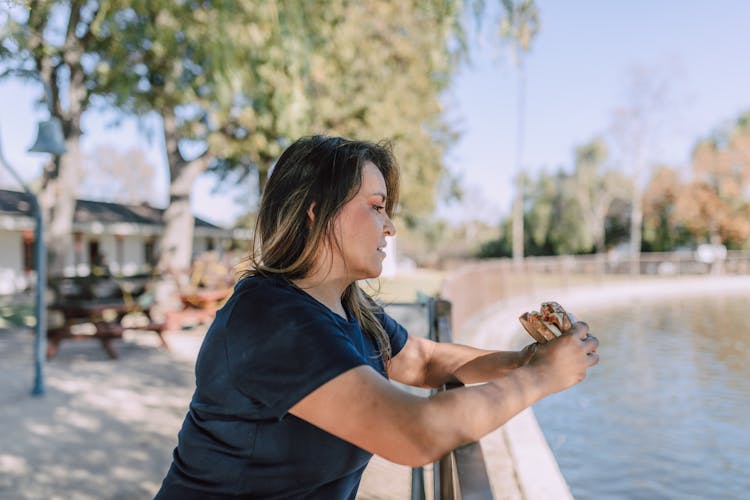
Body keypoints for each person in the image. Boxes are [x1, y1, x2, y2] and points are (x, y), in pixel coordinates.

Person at [155, 135, 599, 499]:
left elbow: (421, 361)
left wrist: (522, 360)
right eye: (376, 205)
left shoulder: (349, 306)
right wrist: (541, 378)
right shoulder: (271, 319)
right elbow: (414, 433)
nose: (390, 227)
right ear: (315, 212)